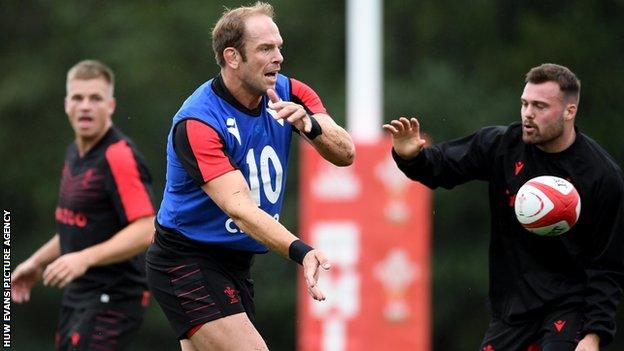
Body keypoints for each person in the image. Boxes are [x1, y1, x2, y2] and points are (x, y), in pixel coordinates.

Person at [145, 2, 355, 350]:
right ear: (232, 57)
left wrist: (310, 124)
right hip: (185, 262)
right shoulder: (199, 122)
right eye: (265, 49)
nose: (278, 58)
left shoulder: (290, 93)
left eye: (279, 48)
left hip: (235, 266)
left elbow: (346, 153)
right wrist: (302, 251)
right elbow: (240, 209)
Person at [383, 63, 624, 351]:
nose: (527, 114)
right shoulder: (501, 146)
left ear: (569, 111)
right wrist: (411, 158)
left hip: (570, 308)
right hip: (512, 312)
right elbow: (443, 167)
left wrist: (594, 334)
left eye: (539, 106)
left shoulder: (602, 176)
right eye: (524, 104)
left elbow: (608, 266)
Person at [11, 60, 156, 350]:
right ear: (66, 104)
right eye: (78, 98)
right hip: (79, 294)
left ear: (111, 106)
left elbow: (146, 228)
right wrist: (37, 262)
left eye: (95, 98)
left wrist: (83, 258)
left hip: (114, 297)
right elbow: (76, 224)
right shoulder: (74, 154)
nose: (85, 106)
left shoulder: (118, 155)